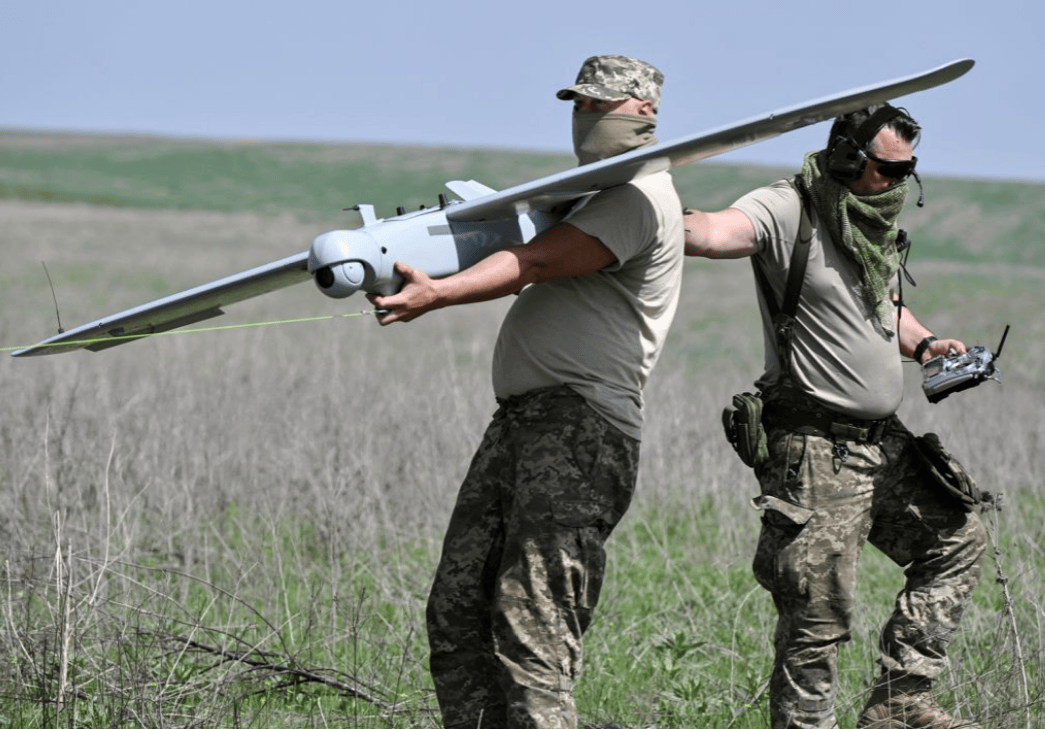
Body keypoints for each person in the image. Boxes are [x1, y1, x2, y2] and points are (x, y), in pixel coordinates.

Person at [368, 55, 684, 729]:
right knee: (456, 608)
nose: (586, 117)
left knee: (532, 624)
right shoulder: (592, 195)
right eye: (580, 104)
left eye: (602, 106)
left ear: (645, 113)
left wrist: (437, 293)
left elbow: (537, 261)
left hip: (579, 427)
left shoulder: (638, 198)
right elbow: (527, 240)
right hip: (522, 422)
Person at [682, 104, 986, 729]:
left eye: (909, 170)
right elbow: (711, 233)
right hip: (815, 445)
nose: (898, 181)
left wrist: (927, 345)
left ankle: (900, 700)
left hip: (881, 445)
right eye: (884, 167)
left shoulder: (869, 226)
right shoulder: (787, 207)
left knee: (956, 540)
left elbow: (883, 310)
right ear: (847, 156)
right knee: (817, 618)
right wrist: (652, 206)